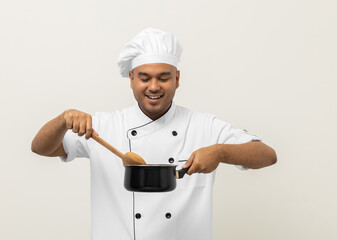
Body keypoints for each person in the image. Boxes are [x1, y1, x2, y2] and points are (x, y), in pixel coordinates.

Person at [31, 28, 277, 240]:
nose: (154, 86)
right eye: (144, 78)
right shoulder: (102, 127)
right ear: (131, 79)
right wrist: (62, 120)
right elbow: (40, 148)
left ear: (177, 79)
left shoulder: (203, 125)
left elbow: (267, 155)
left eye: (164, 77)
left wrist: (221, 151)